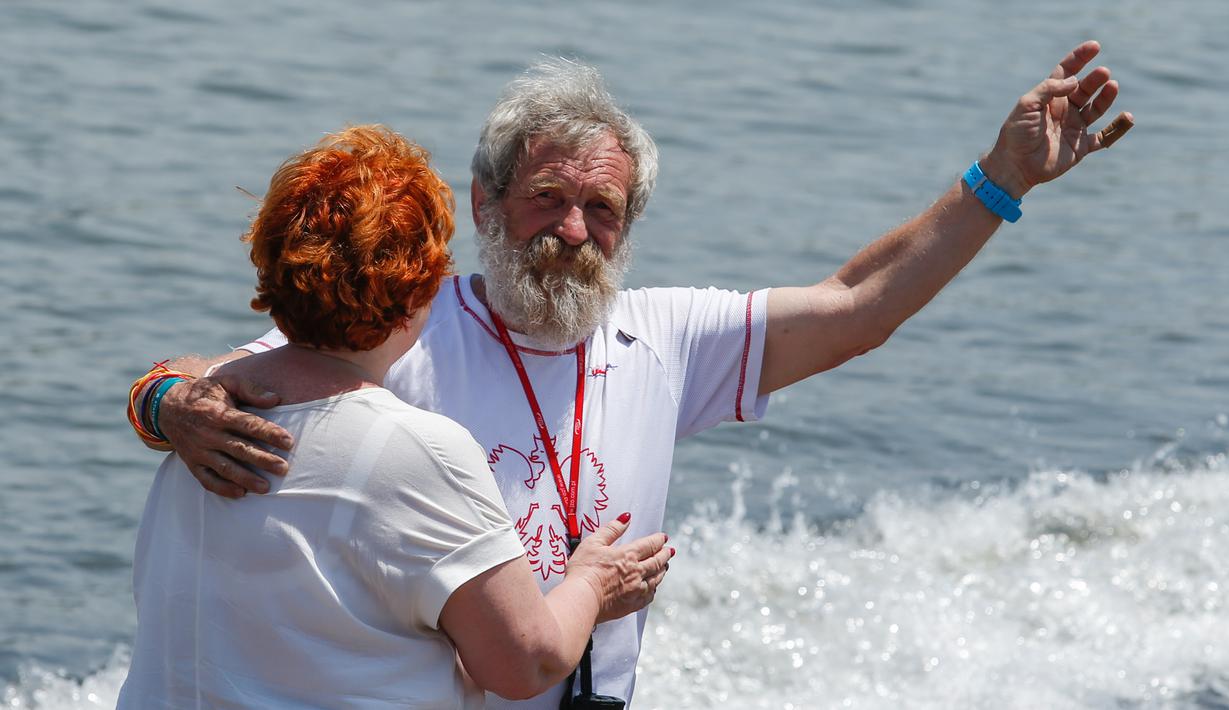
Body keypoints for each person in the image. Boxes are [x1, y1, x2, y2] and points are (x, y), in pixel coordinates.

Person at [130, 42, 1131, 708]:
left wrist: (998, 182)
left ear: (630, 225)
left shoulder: (663, 335)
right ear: (484, 201)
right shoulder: (406, 323)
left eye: (601, 210)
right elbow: (219, 380)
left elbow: (855, 307)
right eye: (547, 198)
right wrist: (169, 402)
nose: (573, 230)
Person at [118, 125, 671, 709]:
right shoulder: (421, 452)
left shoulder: (200, 417)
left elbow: (165, 383)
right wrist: (592, 582)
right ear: (418, 293)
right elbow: (524, 662)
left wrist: (160, 400)